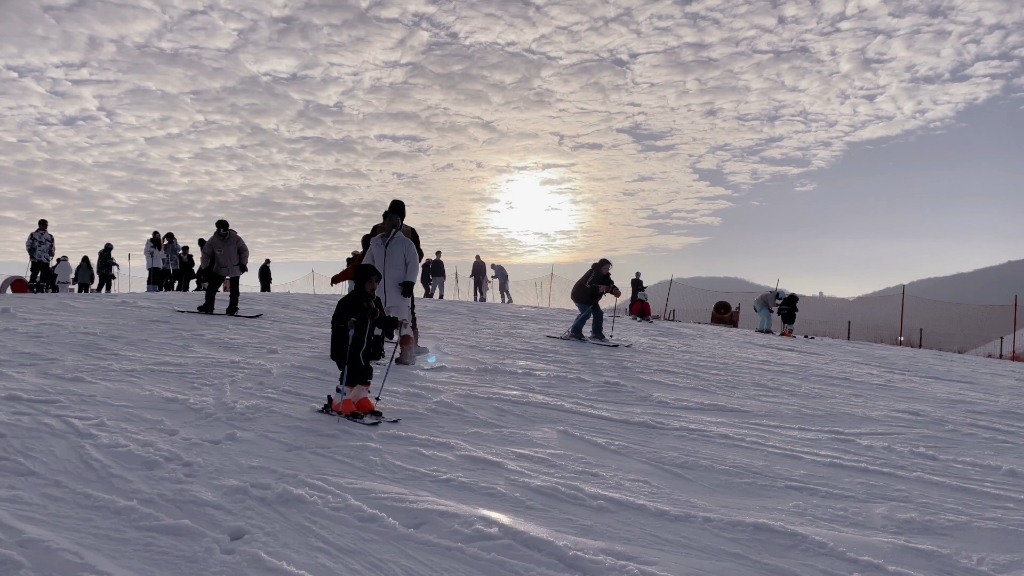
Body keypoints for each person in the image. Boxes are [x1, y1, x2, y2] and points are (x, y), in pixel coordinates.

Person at [323, 264, 404, 417]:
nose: (374, 285)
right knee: (351, 372)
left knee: (365, 372)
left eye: (376, 282)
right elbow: (336, 323)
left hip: (366, 346)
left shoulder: (375, 301)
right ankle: (340, 400)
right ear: (360, 282)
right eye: (369, 281)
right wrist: (346, 325)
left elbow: (380, 320)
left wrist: (395, 323)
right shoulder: (348, 301)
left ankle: (359, 397)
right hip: (347, 346)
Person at [362, 210, 419, 364]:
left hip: (400, 293)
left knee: (403, 323)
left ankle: (407, 354)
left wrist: (409, 282)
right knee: (376, 322)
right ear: (384, 223)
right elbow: (367, 266)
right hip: (379, 294)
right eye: (391, 219)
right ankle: (376, 351)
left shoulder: (406, 243)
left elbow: (413, 264)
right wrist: (365, 283)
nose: (394, 222)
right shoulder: (375, 244)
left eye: (397, 220)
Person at [198, 219, 250, 315]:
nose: (224, 232)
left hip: (235, 268)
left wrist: (243, 263)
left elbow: (244, 251)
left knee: (234, 291)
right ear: (218, 229)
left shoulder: (236, 238)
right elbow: (205, 255)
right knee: (211, 289)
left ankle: (232, 308)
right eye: (222, 230)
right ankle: (208, 306)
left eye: (226, 230)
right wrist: (205, 268)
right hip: (220, 268)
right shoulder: (213, 241)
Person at [566, 258, 621, 341]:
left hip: (592, 300)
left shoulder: (606, 277)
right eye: (605, 268)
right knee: (586, 313)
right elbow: (588, 284)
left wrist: (615, 291)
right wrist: (602, 288)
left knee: (599, 314)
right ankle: (575, 332)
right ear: (600, 267)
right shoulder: (592, 273)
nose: (606, 270)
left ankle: (596, 334)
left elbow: (610, 285)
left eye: (608, 268)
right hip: (580, 297)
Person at [25, 219, 55, 293]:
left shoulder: (50, 236)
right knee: (34, 273)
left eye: (46, 225)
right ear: (39, 225)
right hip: (35, 258)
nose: (45, 226)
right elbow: (28, 244)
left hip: (45, 259)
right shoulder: (33, 235)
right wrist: (30, 252)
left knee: (44, 274)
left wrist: (52, 253)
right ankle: (31, 288)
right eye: (43, 224)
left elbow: (52, 246)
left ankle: (41, 289)